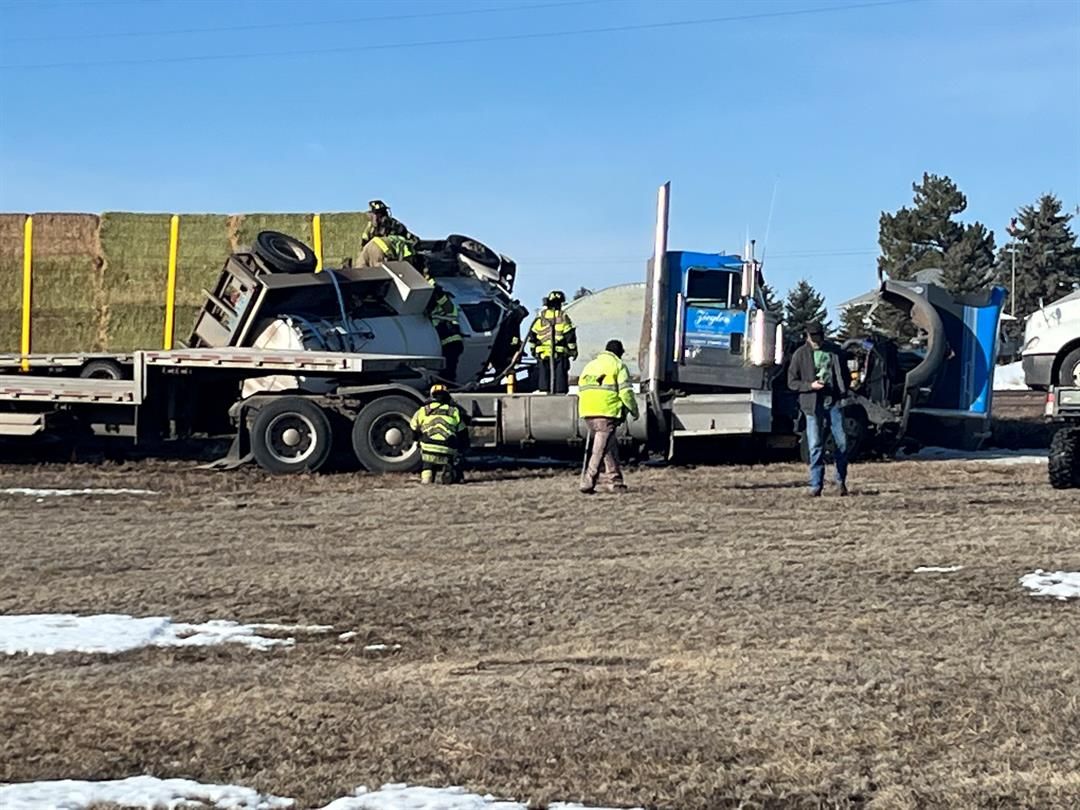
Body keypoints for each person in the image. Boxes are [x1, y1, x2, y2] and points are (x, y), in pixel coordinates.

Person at [787, 321, 850, 497]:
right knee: (815, 445)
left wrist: (844, 389)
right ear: (807, 336)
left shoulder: (835, 351)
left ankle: (840, 482)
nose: (817, 340)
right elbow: (791, 382)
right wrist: (810, 386)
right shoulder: (800, 354)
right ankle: (816, 485)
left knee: (842, 442)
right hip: (811, 404)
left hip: (834, 402)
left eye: (819, 336)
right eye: (813, 336)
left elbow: (844, 374)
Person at [578, 339, 638, 494]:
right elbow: (626, 393)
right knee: (599, 449)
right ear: (619, 353)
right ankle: (588, 481)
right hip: (606, 412)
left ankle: (616, 482)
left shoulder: (590, 365)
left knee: (608, 447)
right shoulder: (618, 366)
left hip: (587, 411)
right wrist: (634, 410)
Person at [409, 384, 469, 484]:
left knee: (427, 463)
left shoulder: (423, 410)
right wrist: (463, 447)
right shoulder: (454, 411)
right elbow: (462, 432)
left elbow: (413, 427)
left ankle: (426, 478)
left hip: (428, 446)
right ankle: (448, 472)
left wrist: (417, 439)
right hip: (448, 448)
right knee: (449, 461)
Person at [527, 290, 578, 393]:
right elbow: (570, 337)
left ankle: (544, 393)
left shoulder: (540, 317)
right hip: (559, 354)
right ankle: (559, 396)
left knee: (544, 380)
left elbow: (532, 336)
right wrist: (573, 351)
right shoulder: (563, 317)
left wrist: (533, 350)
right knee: (560, 382)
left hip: (543, 354)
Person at [424, 280, 464, 382]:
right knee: (447, 367)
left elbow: (446, 305)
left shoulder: (447, 307)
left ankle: (447, 385)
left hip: (452, 342)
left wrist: (437, 292)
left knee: (448, 368)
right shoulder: (434, 311)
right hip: (447, 343)